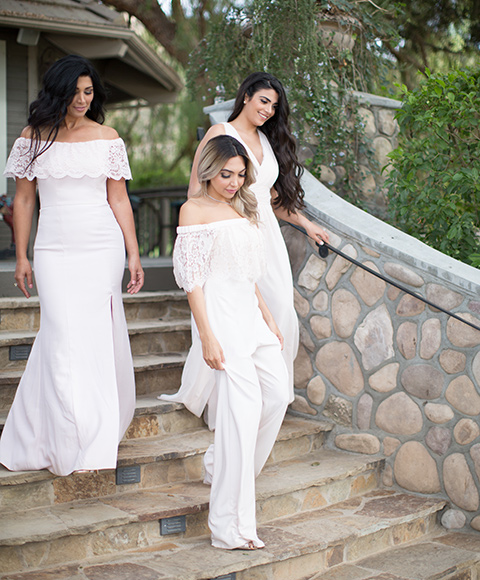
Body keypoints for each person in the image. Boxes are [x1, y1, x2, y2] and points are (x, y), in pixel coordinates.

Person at [0, 54, 144, 476]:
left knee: (94, 335)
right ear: (57, 91)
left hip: (101, 246)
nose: (82, 99)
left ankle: (94, 434)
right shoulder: (32, 137)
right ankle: (60, 434)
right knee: (61, 334)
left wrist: (133, 253)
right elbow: (24, 199)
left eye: (89, 92)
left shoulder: (107, 137)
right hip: (54, 249)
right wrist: (22, 253)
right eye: (75, 92)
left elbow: (118, 198)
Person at [161, 135, 289, 550]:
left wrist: (267, 314)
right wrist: (207, 337)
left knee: (278, 394)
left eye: (239, 174)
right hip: (222, 322)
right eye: (225, 174)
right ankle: (230, 527)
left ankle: (219, 464)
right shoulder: (193, 210)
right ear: (208, 171)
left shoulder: (242, 204)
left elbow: (247, 271)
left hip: (251, 316)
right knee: (242, 413)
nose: (233, 182)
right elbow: (192, 282)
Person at [189, 72, 329, 403]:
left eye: (274, 106)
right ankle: (230, 399)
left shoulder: (267, 141)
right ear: (247, 96)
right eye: (263, 101)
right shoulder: (220, 133)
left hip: (266, 239)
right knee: (232, 316)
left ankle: (270, 397)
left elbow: (271, 201)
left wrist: (307, 224)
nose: (267, 110)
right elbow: (197, 191)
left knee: (280, 312)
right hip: (230, 237)